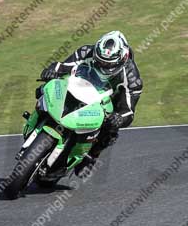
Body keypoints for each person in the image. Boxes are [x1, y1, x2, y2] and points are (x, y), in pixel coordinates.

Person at [39, 30, 143, 175]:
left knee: (110, 130)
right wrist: (50, 70)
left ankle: (91, 156)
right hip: (79, 86)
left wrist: (119, 118)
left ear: (122, 59)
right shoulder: (86, 51)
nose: (103, 66)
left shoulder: (132, 78)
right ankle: (39, 118)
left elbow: (129, 111)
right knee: (43, 88)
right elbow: (63, 66)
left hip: (106, 101)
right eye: (100, 61)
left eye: (108, 64)